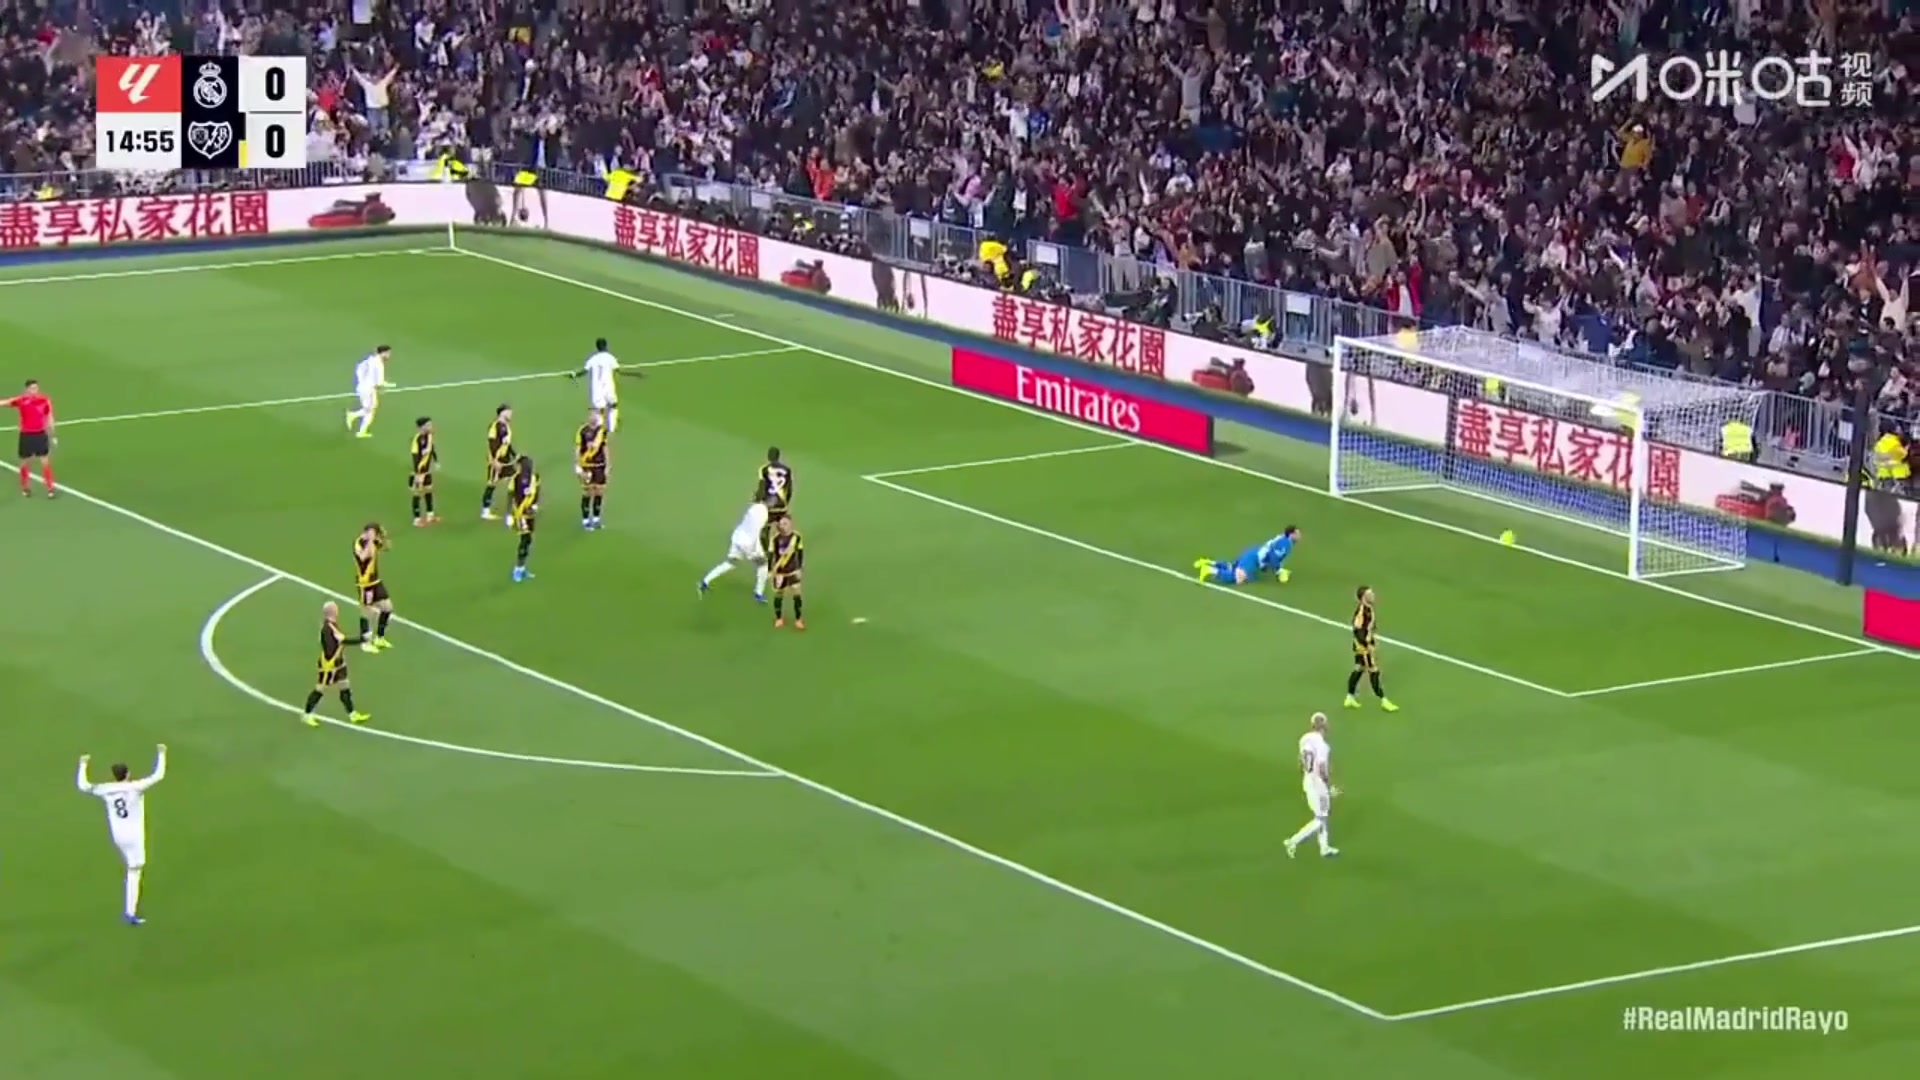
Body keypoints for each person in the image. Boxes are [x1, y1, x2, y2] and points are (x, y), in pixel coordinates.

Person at [77, 743, 167, 924]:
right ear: (127, 773)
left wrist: (83, 764)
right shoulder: (135, 787)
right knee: (135, 869)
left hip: (118, 836)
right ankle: (129, 913)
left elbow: (83, 786)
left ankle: (130, 910)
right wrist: (161, 754)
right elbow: (158, 775)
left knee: (132, 867)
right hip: (134, 836)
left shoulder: (105, 789)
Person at [304, 601, 371, 727]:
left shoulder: (332, 625)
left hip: (338, 663)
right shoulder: (327, 629)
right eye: (336, 609)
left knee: (345, 686)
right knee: (320, 688)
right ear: (332, 612)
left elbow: (341, 641)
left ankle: (352, 714)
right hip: (329, 665)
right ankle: (307, 714)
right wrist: (361, 640)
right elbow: (335, 645)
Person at [1284, 714, 1338, 859]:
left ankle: (1324, 848)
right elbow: (1322, 767)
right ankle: (1293, 841)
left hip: (1307, 780)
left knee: (1322, 815)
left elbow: (1300, 760)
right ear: (1324, 726)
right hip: (1318, 783)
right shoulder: (1322, 745)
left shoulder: (1305, 738)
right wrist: (1328, 785)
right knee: (1320, 819)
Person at [700, 497, 773, 601]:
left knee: (731, 563)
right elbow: (757, 531)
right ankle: (758, 593)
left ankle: (705, 581)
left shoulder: (753, 507)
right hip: (748, 544)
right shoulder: (764, 513)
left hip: (737, 537)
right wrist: (760, 549)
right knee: (763, 565)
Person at [1345, 586, 1397, 712]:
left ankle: (1349, 697)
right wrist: (1366, 644)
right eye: (1369, 593)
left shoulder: (1368, 609)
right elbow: (1357, 629)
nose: (1373, 595)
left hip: (1363, 645)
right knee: (1374, 671)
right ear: (1364, 597)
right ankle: (1383, 700)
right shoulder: (1362, 611)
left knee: (1359, 669)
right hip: (1363, 647)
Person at [1195, 526, 1300, 585]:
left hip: (1254, 554)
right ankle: (1208, 570)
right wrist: (1278, 571)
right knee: (1238, 578)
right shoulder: (1285, 544)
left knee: (1234, 568)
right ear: (1291, 535)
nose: (1299, 536)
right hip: (1254, 558)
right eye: (1297, 534)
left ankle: (1207, 562)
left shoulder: (1284, 540)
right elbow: (1273, 557)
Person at [6, 378, 55, 497]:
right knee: (25, 462)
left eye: (36, 388)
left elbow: (49, 416)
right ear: (27, 389)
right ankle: (25, 486)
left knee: (45, 461)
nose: (35, 390)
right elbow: (5, 402)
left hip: (40, 434)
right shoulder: (21, 400)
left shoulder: (44, 400)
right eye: (32, 388)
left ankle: (50, 487)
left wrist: (52, 433)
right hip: (26, 435)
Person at [354, 523, 395, 651]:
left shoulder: (374, 541)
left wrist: (384, 537)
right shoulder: (359, 543)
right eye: (370, 532)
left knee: (387, 608)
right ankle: (365, 642)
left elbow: (388, 548)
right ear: (365, 532)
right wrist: (371, 541)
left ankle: (379, 637)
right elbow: (363, 557)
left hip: (376, 581)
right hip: (365, 584)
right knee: (367, 613)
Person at [344, 345, 394, 439]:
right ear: (383, 353)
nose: (389, 355)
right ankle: (354, 419)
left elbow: (359, 369)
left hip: (362, 387)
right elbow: (379, 383)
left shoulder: (370, 359)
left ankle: (357, 424)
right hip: (368, 389)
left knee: (371, 409)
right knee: (370, 410)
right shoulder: (379, 364)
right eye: (388, 353)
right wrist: (384, 386)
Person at [768, 514, 805, 629]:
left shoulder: (796, 537)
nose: (782, 526)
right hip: (780, 572)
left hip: (793, 571)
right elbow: (771, 555)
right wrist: (770, 570)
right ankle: (779, 618)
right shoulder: (775, 539)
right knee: (779, 595)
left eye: (785, 523)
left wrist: (799, 569)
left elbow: (800, 554)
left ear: (790, 524)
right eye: (781, 524)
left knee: (797, 594)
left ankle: (798, 619)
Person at [574, 409, 609, 530]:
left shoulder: (601, 431)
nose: (593, 417)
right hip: (587, 465)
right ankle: (585, 520)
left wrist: (607, 465)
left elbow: (605, 448)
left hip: (599, 465)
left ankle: (596, 518)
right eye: (591, 414)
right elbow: (578, 448)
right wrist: (577, 464)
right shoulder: (582, 431)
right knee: (588, 492)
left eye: (595, 415)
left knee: (599, 491)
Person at [480, 405, 514, 520]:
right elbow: (492, 444)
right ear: (502, 413)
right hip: (497, 461)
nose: (511, 415)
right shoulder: (495, 426)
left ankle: (516, 505)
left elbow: (507, 444)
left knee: (514, 479)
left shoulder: (506, 426)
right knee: (491, 484)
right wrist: (495, 461)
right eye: (509, 412)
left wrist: (515, 456)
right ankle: (485, 511)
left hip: (505, 460)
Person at [510, 455, 541, 582]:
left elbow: (537, 493)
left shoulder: (535, 478)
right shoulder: (516, 479)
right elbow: (510, 496)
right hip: (520, 513)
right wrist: (509, 514)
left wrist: (535, 505)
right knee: (525, 539)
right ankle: (517, 570)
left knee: (528, 540)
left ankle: (522, 569)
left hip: (530, 514)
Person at [409, 416, 439, 526]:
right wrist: (418, 475)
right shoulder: (417, 440)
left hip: (427, 471)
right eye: (428, 425)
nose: (431, 426)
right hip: (419, 472)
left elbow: (431, 448)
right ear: (422, 427)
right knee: (417, 494)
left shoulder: (429, 436)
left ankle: (430, 515)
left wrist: (436, 461)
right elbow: (415, 458)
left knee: (428, 491)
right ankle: (416, 520)